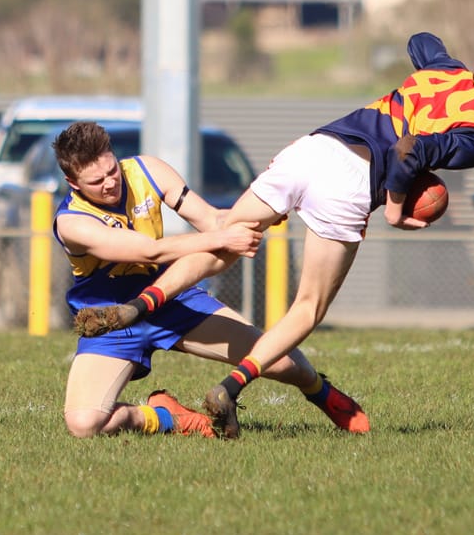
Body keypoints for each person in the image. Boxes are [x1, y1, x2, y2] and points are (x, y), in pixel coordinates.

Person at [75, 31, 474, 438]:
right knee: (308, 307)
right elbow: (409, 154)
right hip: (352, 180)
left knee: (224, 239)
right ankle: (230, 387)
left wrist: (437, 69)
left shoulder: (448, 71)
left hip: (315, 147)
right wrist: (398, 210)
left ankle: (136, 307)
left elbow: (422, 39)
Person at [53, 121, 369, 438]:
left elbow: (211, 219)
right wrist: (226, 238)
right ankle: (165, 417)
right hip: (113, 317)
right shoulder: (71, 222)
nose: (110, 183)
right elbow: (150, 251)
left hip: (172, 298)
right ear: (73, 182)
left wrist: (261, 215)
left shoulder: (147, 170)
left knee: (284, 363)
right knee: (84, 425)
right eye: (97, 181)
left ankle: (322, 393)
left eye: (112, 171)